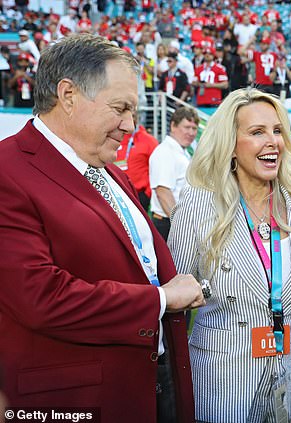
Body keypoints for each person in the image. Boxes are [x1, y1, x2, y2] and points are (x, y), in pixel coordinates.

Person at [0, 33, 204, 422]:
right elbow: (40, 297)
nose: (130, 124)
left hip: (151, 387)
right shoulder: (7, 170)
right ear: (69, 95)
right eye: (120, 108)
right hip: (74, 400)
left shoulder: (109, 171)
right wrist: (161, 300)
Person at [168, 88, 291, 422]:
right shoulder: (198, 204)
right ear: (231, 145)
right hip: (221, 390)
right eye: (257, 132)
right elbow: (174, 306)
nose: (273, 142)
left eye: (277, 130)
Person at [149, 106, 199, 240]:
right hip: (168, 224)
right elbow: (163, 192)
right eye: (187, 127)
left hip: (175, 222)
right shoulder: (165, 152)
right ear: (173, 126)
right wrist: (180, 226)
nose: (191, 133)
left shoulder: (180, 152)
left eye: (194, 128)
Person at [114, 117, 159, 212]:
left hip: (139, 195)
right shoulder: (112, 138)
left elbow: (157, 170)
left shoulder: (149, 141)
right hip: (115, 193)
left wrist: (147, 194)